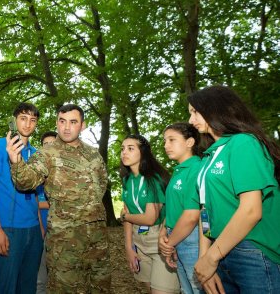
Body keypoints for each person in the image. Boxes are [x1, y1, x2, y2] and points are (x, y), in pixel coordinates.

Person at [6, 104, 111, 293]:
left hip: (97, 238)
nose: (66, 127)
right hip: (65, 241)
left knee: (100, 287)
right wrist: (17, 161)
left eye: (73, 122)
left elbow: (101, 184)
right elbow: (26, 181)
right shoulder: (47, 154)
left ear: (82, 125)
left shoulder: (93, 154)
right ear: (57, 123)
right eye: (62, 121)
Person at [188, 85, 280, 294]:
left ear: (215, 108)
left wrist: (211, 258)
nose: (191, 120)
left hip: (252, 251)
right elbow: (205, 211)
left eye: (195, 111)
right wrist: (205, 258)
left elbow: (251, 210)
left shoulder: (243, 143)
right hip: (220, 251)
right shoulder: (209, 157)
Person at [0, 102, 43, 294]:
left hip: (33, 230)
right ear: (15, 120)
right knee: (5, 288)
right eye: (23, 118)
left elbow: (36, 196)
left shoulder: (36, 154)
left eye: (32, 120)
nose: (27, 124)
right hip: (8, 229)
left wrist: (41, 230)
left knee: (28, 287)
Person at [119, 134, 180, 294]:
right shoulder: (127, 180)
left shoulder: (154, 179)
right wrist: (129, 248)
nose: (124, 152)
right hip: (139, 243)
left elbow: (150, 218)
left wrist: (125, 216)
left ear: (143, 153)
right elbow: (127, 216)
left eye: (130, 148)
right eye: (123, 149)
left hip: (159, 241)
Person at [158, 123, 204, 294]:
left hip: (191, 239)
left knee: (198, 289)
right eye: (164, 141)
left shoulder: (197, 168)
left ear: (190, 142)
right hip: (177, 236)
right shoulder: (179, 171)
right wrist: (164, 231)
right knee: (186, 290)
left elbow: (192, 214)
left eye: (172, 140)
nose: (166, 145)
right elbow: (174, 207)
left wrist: (169, 244)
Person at [36, 131, 57, 294]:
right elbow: (32, 202)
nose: (49, 147)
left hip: (63, 234)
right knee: (40, 279)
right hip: (41, 231)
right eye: (46, 144)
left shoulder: (66, 171)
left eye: (53, 143)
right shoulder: (37, 170)